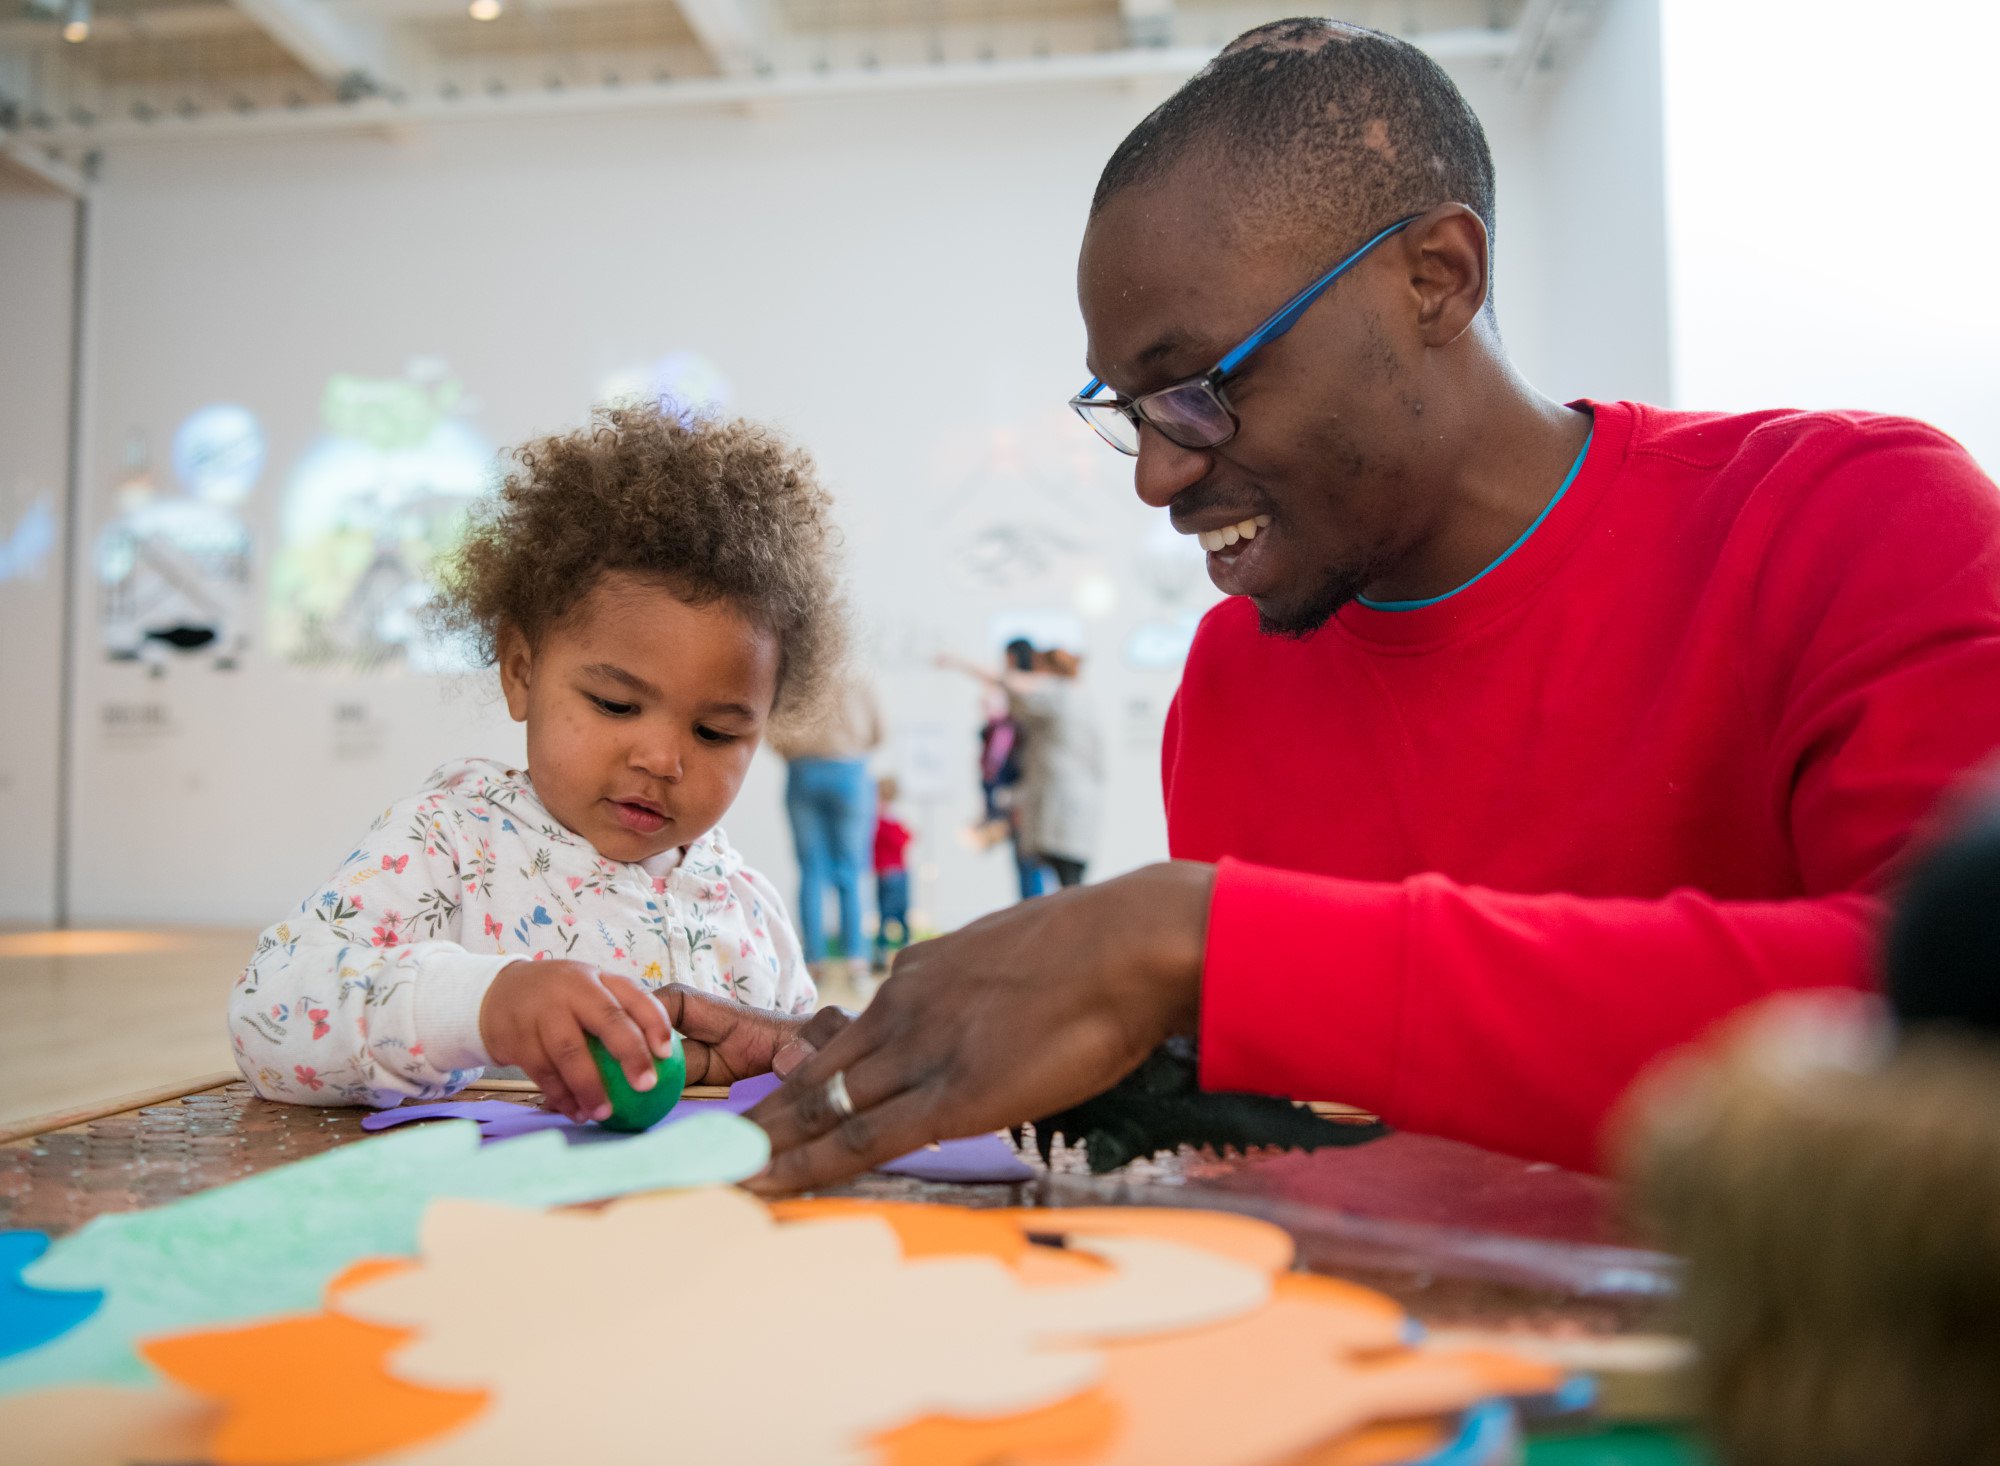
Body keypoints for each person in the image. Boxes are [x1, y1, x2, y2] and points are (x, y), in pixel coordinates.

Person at [743, 19, 2000, 1191]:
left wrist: (1200, 941)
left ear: (1436, 277)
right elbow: (1318, 1138)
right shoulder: (1233, 678)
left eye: (1198, 387)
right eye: (1129, 411)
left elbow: (1942, 1025)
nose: (1157, 473)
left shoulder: (1849, 519)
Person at [228, 404, 845, 1122]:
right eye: (616, 704)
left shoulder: (747, 911)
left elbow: (803, 1098)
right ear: (521, 671)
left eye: (714, 732)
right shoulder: (448, 845)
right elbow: (268, 1012)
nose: (661, 758)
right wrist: (484, 1006)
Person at [940, 643, 1104, 888]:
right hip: (1071, 804)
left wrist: (959, 662)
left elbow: (1009, 683)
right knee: (1067, 881)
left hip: (1058, 805)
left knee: (1061, 883)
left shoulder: (1056, 693)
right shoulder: (1081, 698)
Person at [767, 673, 883, 987]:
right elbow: (878, 731)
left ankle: (812, 966)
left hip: (802, 769)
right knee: (851, 871)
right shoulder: (859, 674)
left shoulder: (798, 672)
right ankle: (857, 964)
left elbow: (773, 730)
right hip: (850, 770)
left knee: (811, 872)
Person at [872, 776, 914, 969]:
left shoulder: (878, 819)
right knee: (896, 914)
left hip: (887, 873)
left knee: (887, 915)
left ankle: (886, 953)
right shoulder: (889, 819)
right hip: (895, 872)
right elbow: (905, 838)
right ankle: (900, 952)